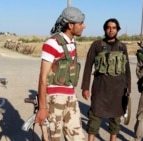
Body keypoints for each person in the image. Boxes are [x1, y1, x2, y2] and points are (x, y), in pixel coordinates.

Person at [35, 6, 86, 141]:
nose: (84, 26)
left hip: (71, 98)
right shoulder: (52, 43)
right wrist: (42, 108)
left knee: (78, 138)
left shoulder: (72, 43)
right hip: (54, 99)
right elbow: (43, 77)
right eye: (80, 23)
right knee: (53, 138)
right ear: (70, 25)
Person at [81, 18, 131, 141]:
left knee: (115, 117)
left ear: (117, 30)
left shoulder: (122, 47)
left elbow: (127, 68)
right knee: (95, 116)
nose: (111, 30)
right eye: (108, 27)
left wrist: (128, 87)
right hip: (100, 88)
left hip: (118, 89)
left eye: (114, 28)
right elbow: (88, 66)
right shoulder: (97, 45)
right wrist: (85, 87)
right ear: (105, 29)